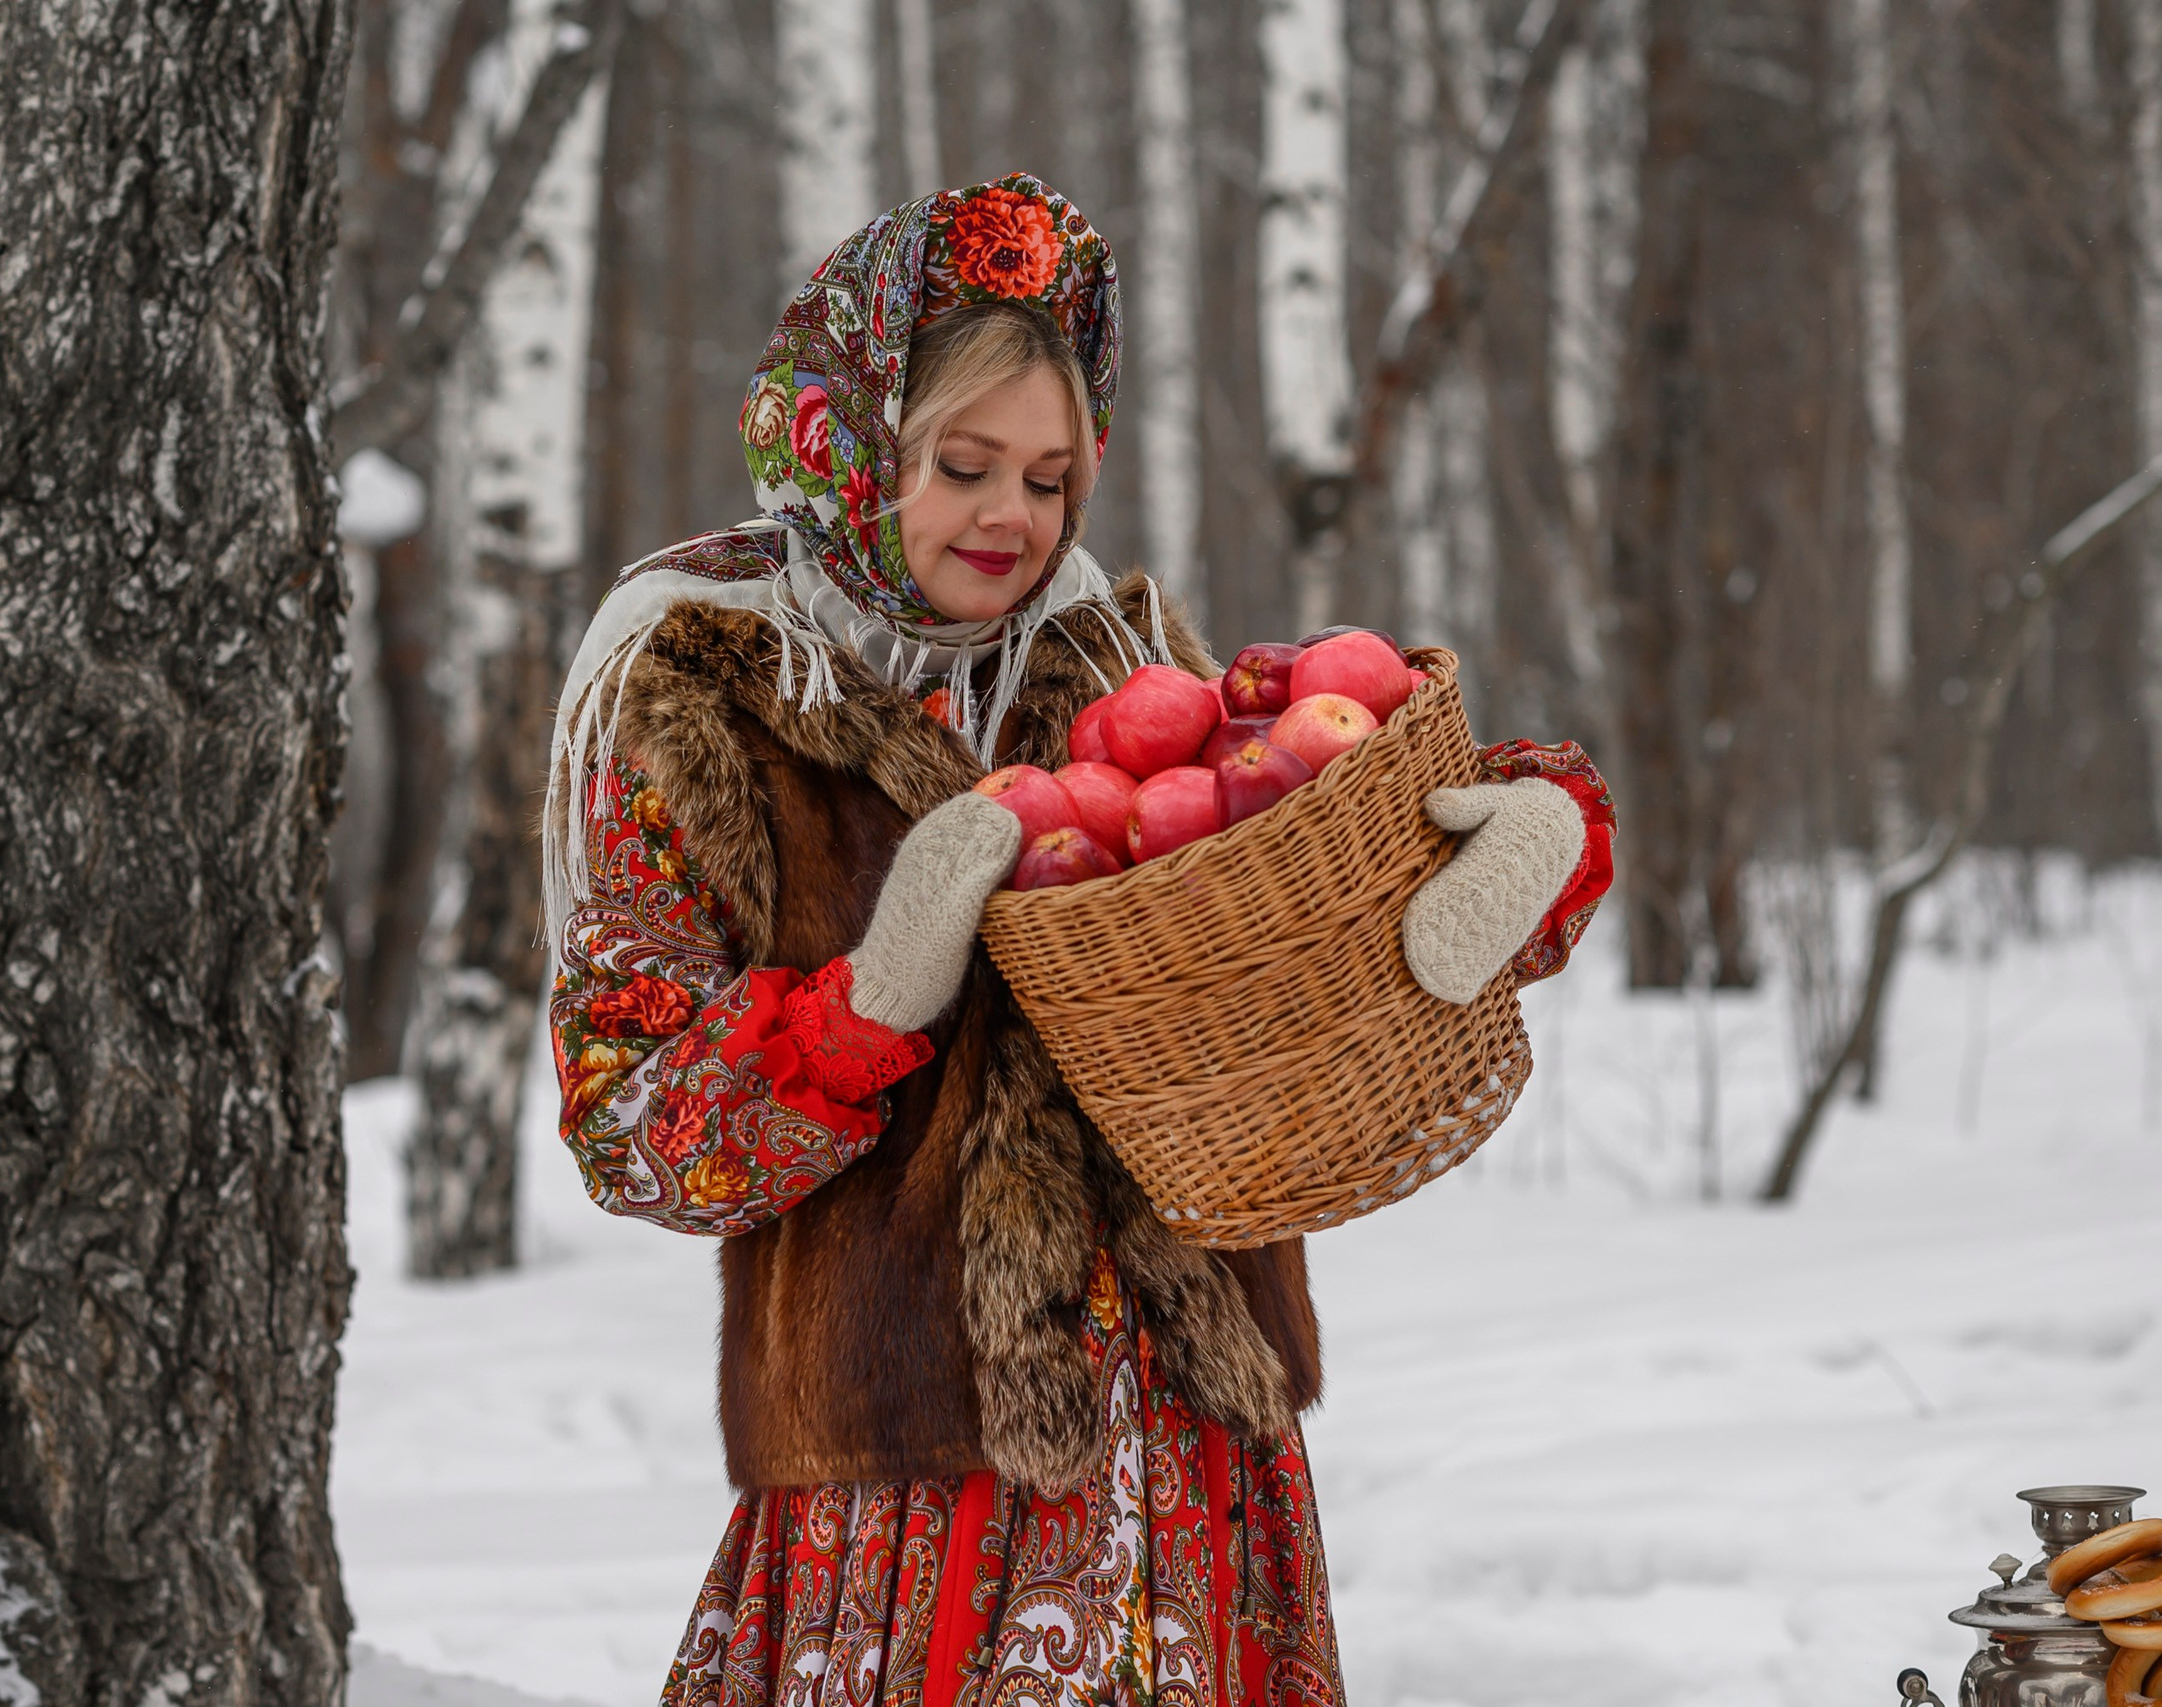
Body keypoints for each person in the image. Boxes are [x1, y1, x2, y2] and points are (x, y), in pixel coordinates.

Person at [543, 174, 1611, 1705]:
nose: (1013, 519)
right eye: (962, 464)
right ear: (846, 447)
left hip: (1186, 1438)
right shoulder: (698, 695)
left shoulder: (1116, 661)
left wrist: (1515, 860)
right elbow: (632, 1131)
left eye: (1050, 480)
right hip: (905, 1468)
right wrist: (871, 1003)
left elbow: (1289, 917)